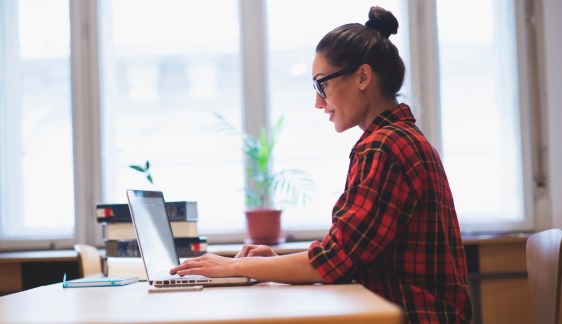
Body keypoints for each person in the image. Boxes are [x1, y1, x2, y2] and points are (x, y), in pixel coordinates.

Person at [170, 6, 472, 323]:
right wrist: (275, 263)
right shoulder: (401, 137)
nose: (318, 102)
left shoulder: (384, 146)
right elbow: (346, 256)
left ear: (363, 76)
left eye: (321, 85)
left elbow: (335, 260)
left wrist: (233, 266)